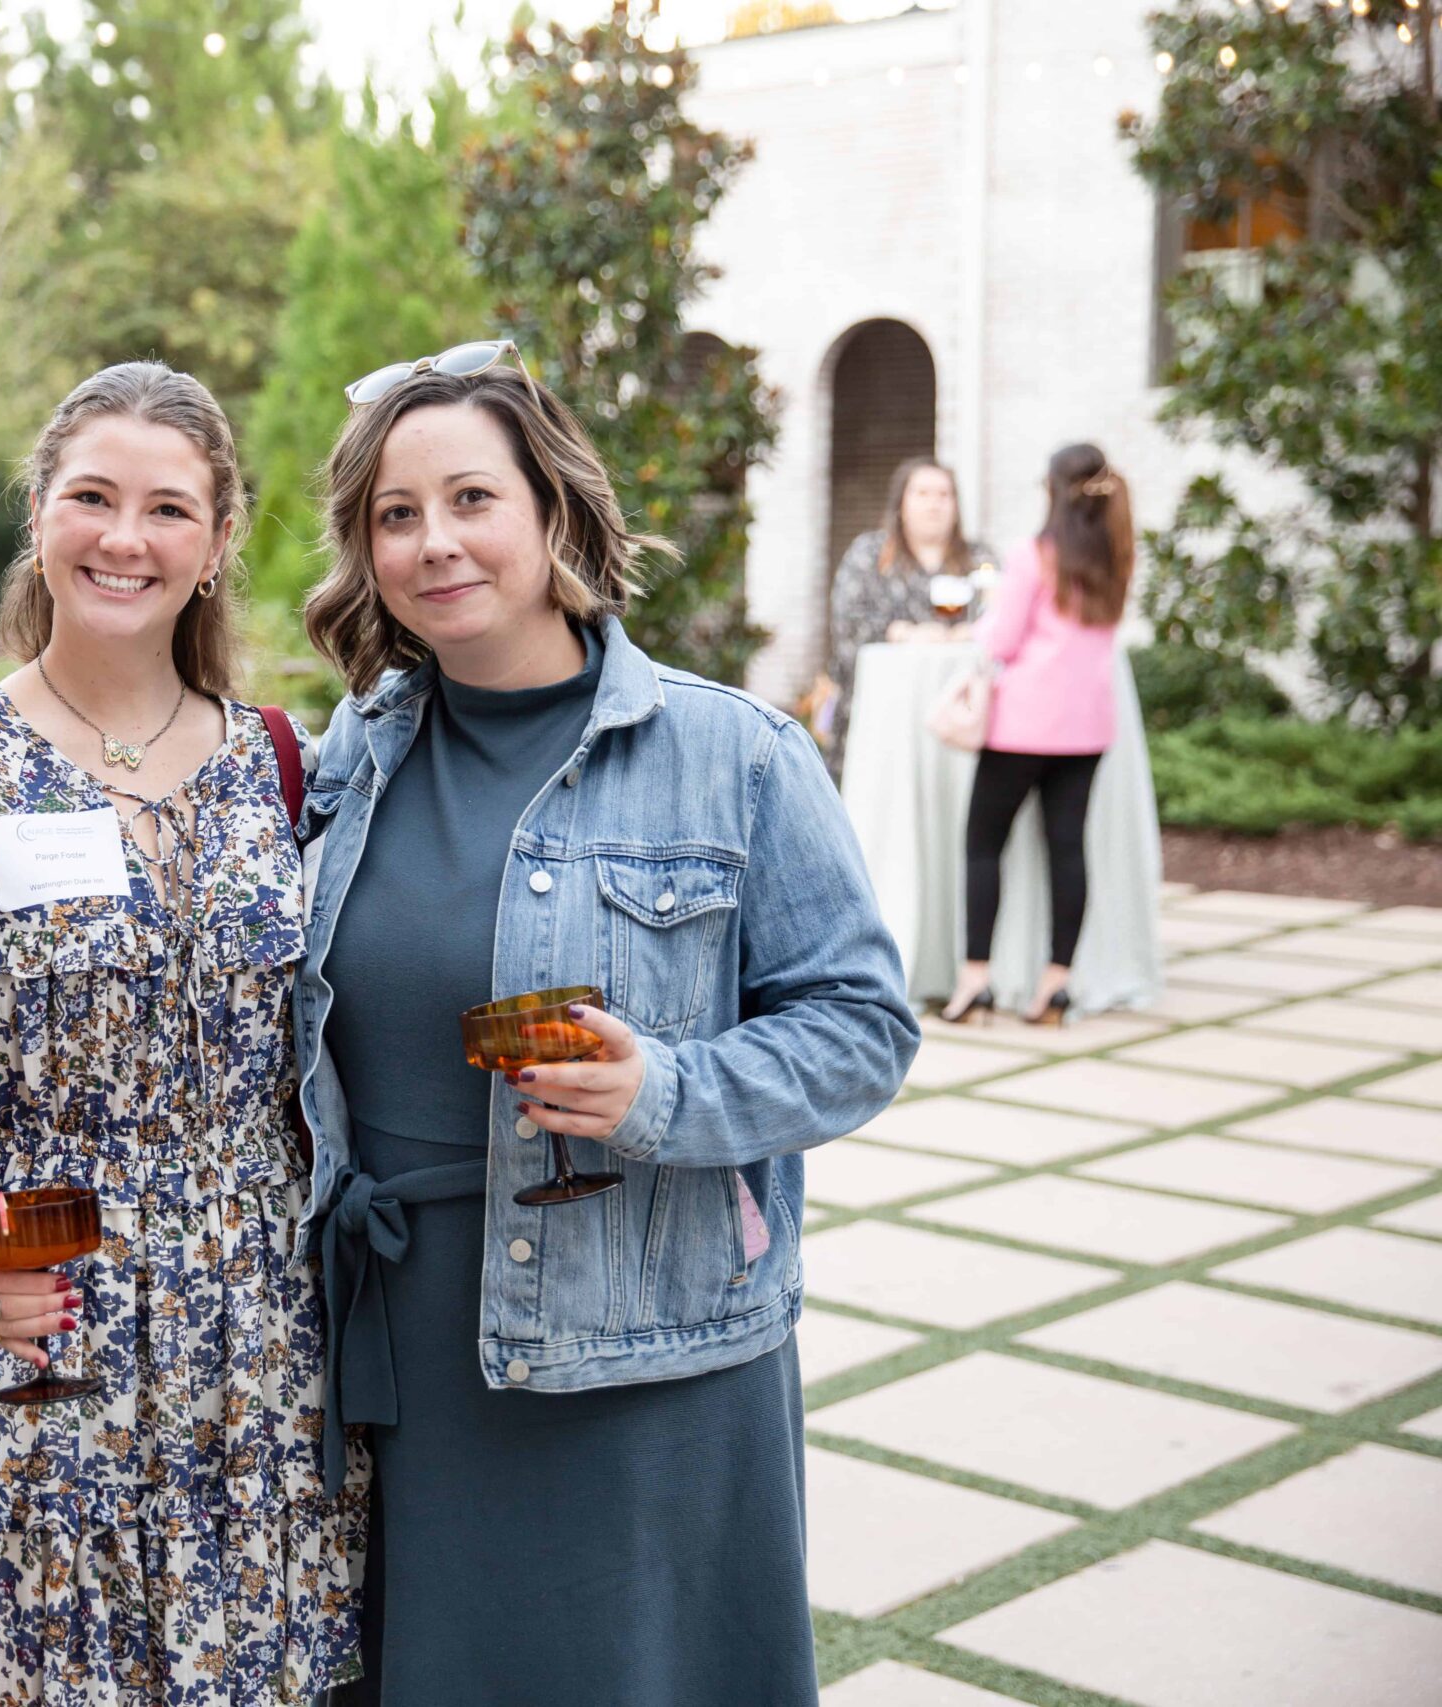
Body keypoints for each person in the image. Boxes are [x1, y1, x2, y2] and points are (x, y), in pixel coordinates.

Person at [294, 349, 917, 1703]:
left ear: (554, 511)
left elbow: (864, 1024)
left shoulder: (735, 752)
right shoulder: (348, 755)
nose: (434, 540)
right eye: (396, 514)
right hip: (402, 1348)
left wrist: (666, 1087)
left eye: (472, 496)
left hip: (647, 1349)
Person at [0, 363, 364, 1704]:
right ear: (40, 514)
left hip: (252, 1340)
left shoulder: (283, 761)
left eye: (166, 509)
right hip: (37, 1327)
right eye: (92, 496)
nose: (124, 538)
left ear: (216, 542)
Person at [938, 444, 1135, 1028]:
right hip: (1088, 726)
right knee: (1068, 849)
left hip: (1023, 725)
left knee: (982, 844)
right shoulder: (1117, 558)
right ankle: (1056, 985)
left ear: (1053, 490)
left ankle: (975, 980)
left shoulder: (1032, 556)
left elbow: (1000, 643)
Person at [823, 456, 994, 778]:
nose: (934, 505)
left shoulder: (979, 560)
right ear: (900, 503)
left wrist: (971, 632)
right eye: (922, 494)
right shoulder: (870, 554)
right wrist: (899, 632)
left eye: (944, 495)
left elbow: (1003, 618)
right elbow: (846, 621)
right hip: (885, 719)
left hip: (958, 721)